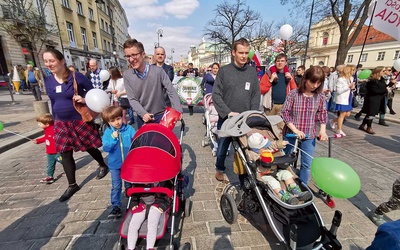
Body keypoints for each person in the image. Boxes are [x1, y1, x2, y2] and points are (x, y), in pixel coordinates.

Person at [43, 48, 109, 202]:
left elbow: (93, 93)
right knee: (65, 153)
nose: (48, 64)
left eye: (51, 61)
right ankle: (72, 184)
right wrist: (53, 121)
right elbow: (53, 101)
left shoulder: (76, 77)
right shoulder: (48, 80)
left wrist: (84, 99)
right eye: (46, 61)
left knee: (89, 146)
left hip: (78, 119)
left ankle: (102, 165)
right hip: (60, 122)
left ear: (61, 61)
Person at [212, 37, 260, 182]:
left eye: (246, 53)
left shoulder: (252, 72)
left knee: (245, 148)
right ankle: (219, 169)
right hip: (227, 119)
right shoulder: (224, 72)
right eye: (241, 53)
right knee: (222, 147)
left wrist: (252, 115)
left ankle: (244, 175)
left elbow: (255, 95)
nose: (244, 56)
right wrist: (227, 112)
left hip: (245, 120)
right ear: (233, 52)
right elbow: (216, 95)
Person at [281, 66, 328, 184]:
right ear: (305, 79)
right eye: (312, 81)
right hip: (291, 134)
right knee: (285, 161)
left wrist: (322, 130)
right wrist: (295, 130)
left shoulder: (320, 97)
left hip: (309, 135)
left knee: (306, 164)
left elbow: (322, 113)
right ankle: (285, 184)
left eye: (318, 83)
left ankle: (303, 187)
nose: (315, 85)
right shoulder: (294, 94)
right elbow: (285, 112)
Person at [122, 38, 183, 129]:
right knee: (145, 143)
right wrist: (143, 113)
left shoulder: (158, 71)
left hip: (161, 116)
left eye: (134, 55)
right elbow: (132, 99)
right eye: (128, 56)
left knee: (163, 142)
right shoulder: (127, 75)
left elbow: (171, 90)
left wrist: (178, 110)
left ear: (143, 54)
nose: (131, 59)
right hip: (143, 117)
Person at [248, 133, 311, 204]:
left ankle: (296, 191)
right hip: (264, 175)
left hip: (275, 171)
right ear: (257, 149)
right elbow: (251, 156)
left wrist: (281, 143)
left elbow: (273, 145)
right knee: (274, 182)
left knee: (287, 174)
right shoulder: (253, 154)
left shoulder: (267, 148)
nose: (267, 148)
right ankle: (284, 196)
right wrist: (260, 156)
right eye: (265, 148)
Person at [101, 106, 136, 218]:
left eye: (118, 118)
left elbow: (136, 140)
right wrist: (112, 138)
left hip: (129, 163)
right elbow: (106, 148)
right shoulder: (107, 133)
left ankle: (132, 201)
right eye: (113, 120)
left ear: (122, 117)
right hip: (115, 165)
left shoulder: (129, 129)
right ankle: (116, 206)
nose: (117, 122)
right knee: (116, 186)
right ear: (108, 122)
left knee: (129, 184)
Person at [127, 182, 171, 250]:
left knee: (152, 224)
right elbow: (134, 195)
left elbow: (167, 196)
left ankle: (150, 247)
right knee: (133, 224)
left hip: (157, 204)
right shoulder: (139, 181)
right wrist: (134, 203)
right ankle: (131, 247)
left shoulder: (164, 181)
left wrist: (163, 205)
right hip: (141, 204)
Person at [358, 66, 389, 134]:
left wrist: (391, 84)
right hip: (372, 99)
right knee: (371, 114)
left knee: (371, 114)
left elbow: (384, 87)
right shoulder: (372, 80)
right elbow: (374, 90)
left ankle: (362, 125)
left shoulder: (382, 79)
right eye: (383, 71)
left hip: (379, 99)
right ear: (378, 72)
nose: (385, 72)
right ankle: (369, 127)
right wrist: (385, 90)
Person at [33, 113, 62, 184]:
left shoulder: (53, 129)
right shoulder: (46, 130)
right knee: (50, 165)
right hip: (49, 152)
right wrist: (38, 141)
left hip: (56, 152)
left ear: (47, 124)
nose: (38, 125)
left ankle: (70, 169)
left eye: (40, 123)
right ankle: (50, 176)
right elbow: (46, 138)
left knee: (63, 161)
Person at [329, 65, 355, 136]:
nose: (354, 72)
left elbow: (351, 89)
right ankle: (339, 129)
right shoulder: (340, 79)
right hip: (342, 98)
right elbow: (339, 91)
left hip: (348, 98)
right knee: (342, 114)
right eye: (352, 70)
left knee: (348, 114)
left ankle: (333, 121)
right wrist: (348, 86)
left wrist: (352, 88)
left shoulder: (351, 78)